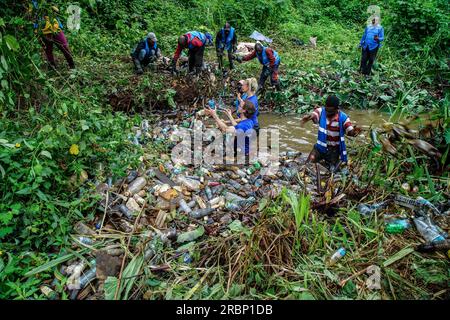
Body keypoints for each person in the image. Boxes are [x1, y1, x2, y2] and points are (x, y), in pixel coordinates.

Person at [301, 95, 361, 169]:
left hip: (333, 151)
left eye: (330, 111)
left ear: (337, 109)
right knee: (307, 165)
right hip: (319, 148)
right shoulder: (321, 111)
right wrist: (309, 117)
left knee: (332, 170)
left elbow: (350, 132)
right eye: (326, 110)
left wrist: (355, 132)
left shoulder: (343, 118)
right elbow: (315, 114)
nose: (327, 113)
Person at [32, 1, 75, 69]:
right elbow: (32, 16)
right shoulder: (32, 2)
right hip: (42, 31)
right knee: (48, 50)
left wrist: (49, 6)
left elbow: (56, 10)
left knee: (64, 47)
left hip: (55, 28)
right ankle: (53, 68)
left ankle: (72, 66)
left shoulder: (47, 2)